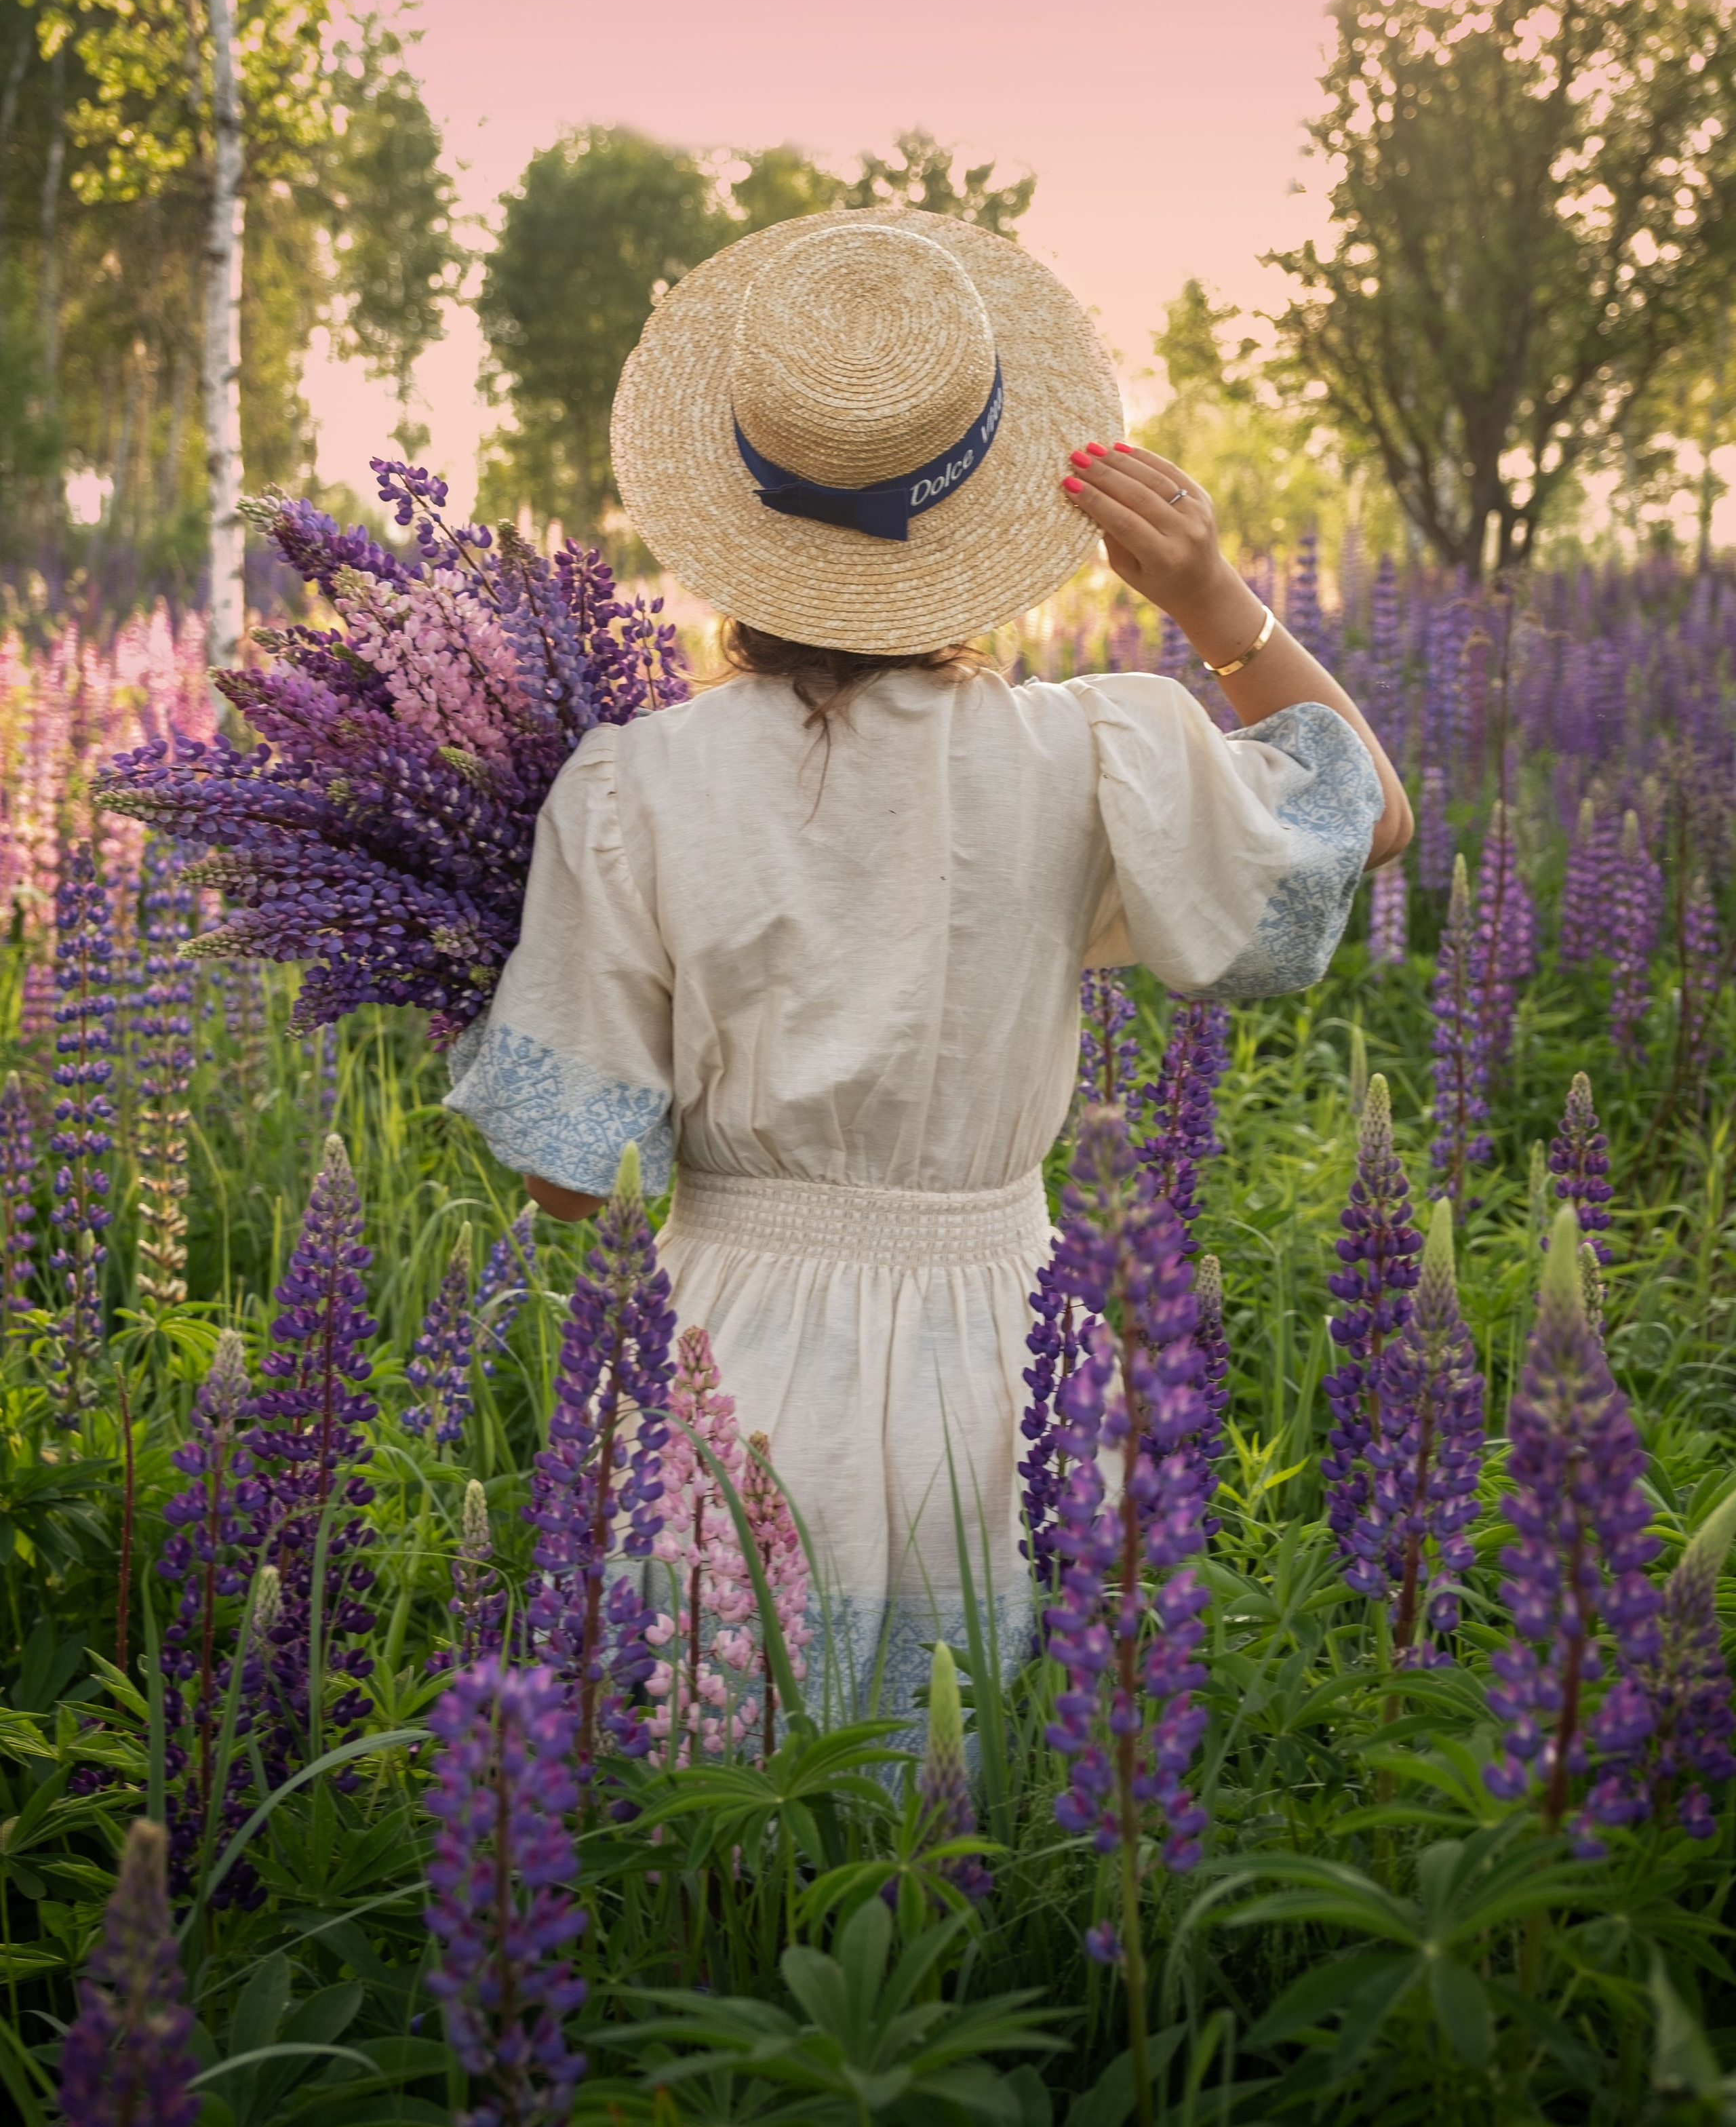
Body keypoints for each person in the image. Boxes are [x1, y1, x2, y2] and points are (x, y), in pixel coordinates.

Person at [446, 208, 1411, 1711]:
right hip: (1000, 1367)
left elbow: (570, 1183)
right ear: (984, 527)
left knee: (722, 1852)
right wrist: (1215, 604)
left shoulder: (629, 787)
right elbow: (1372, 820)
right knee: (975, 1840)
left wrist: (502, 962)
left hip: (718, 1364)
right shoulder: (1090, 756)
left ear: (734, 536)